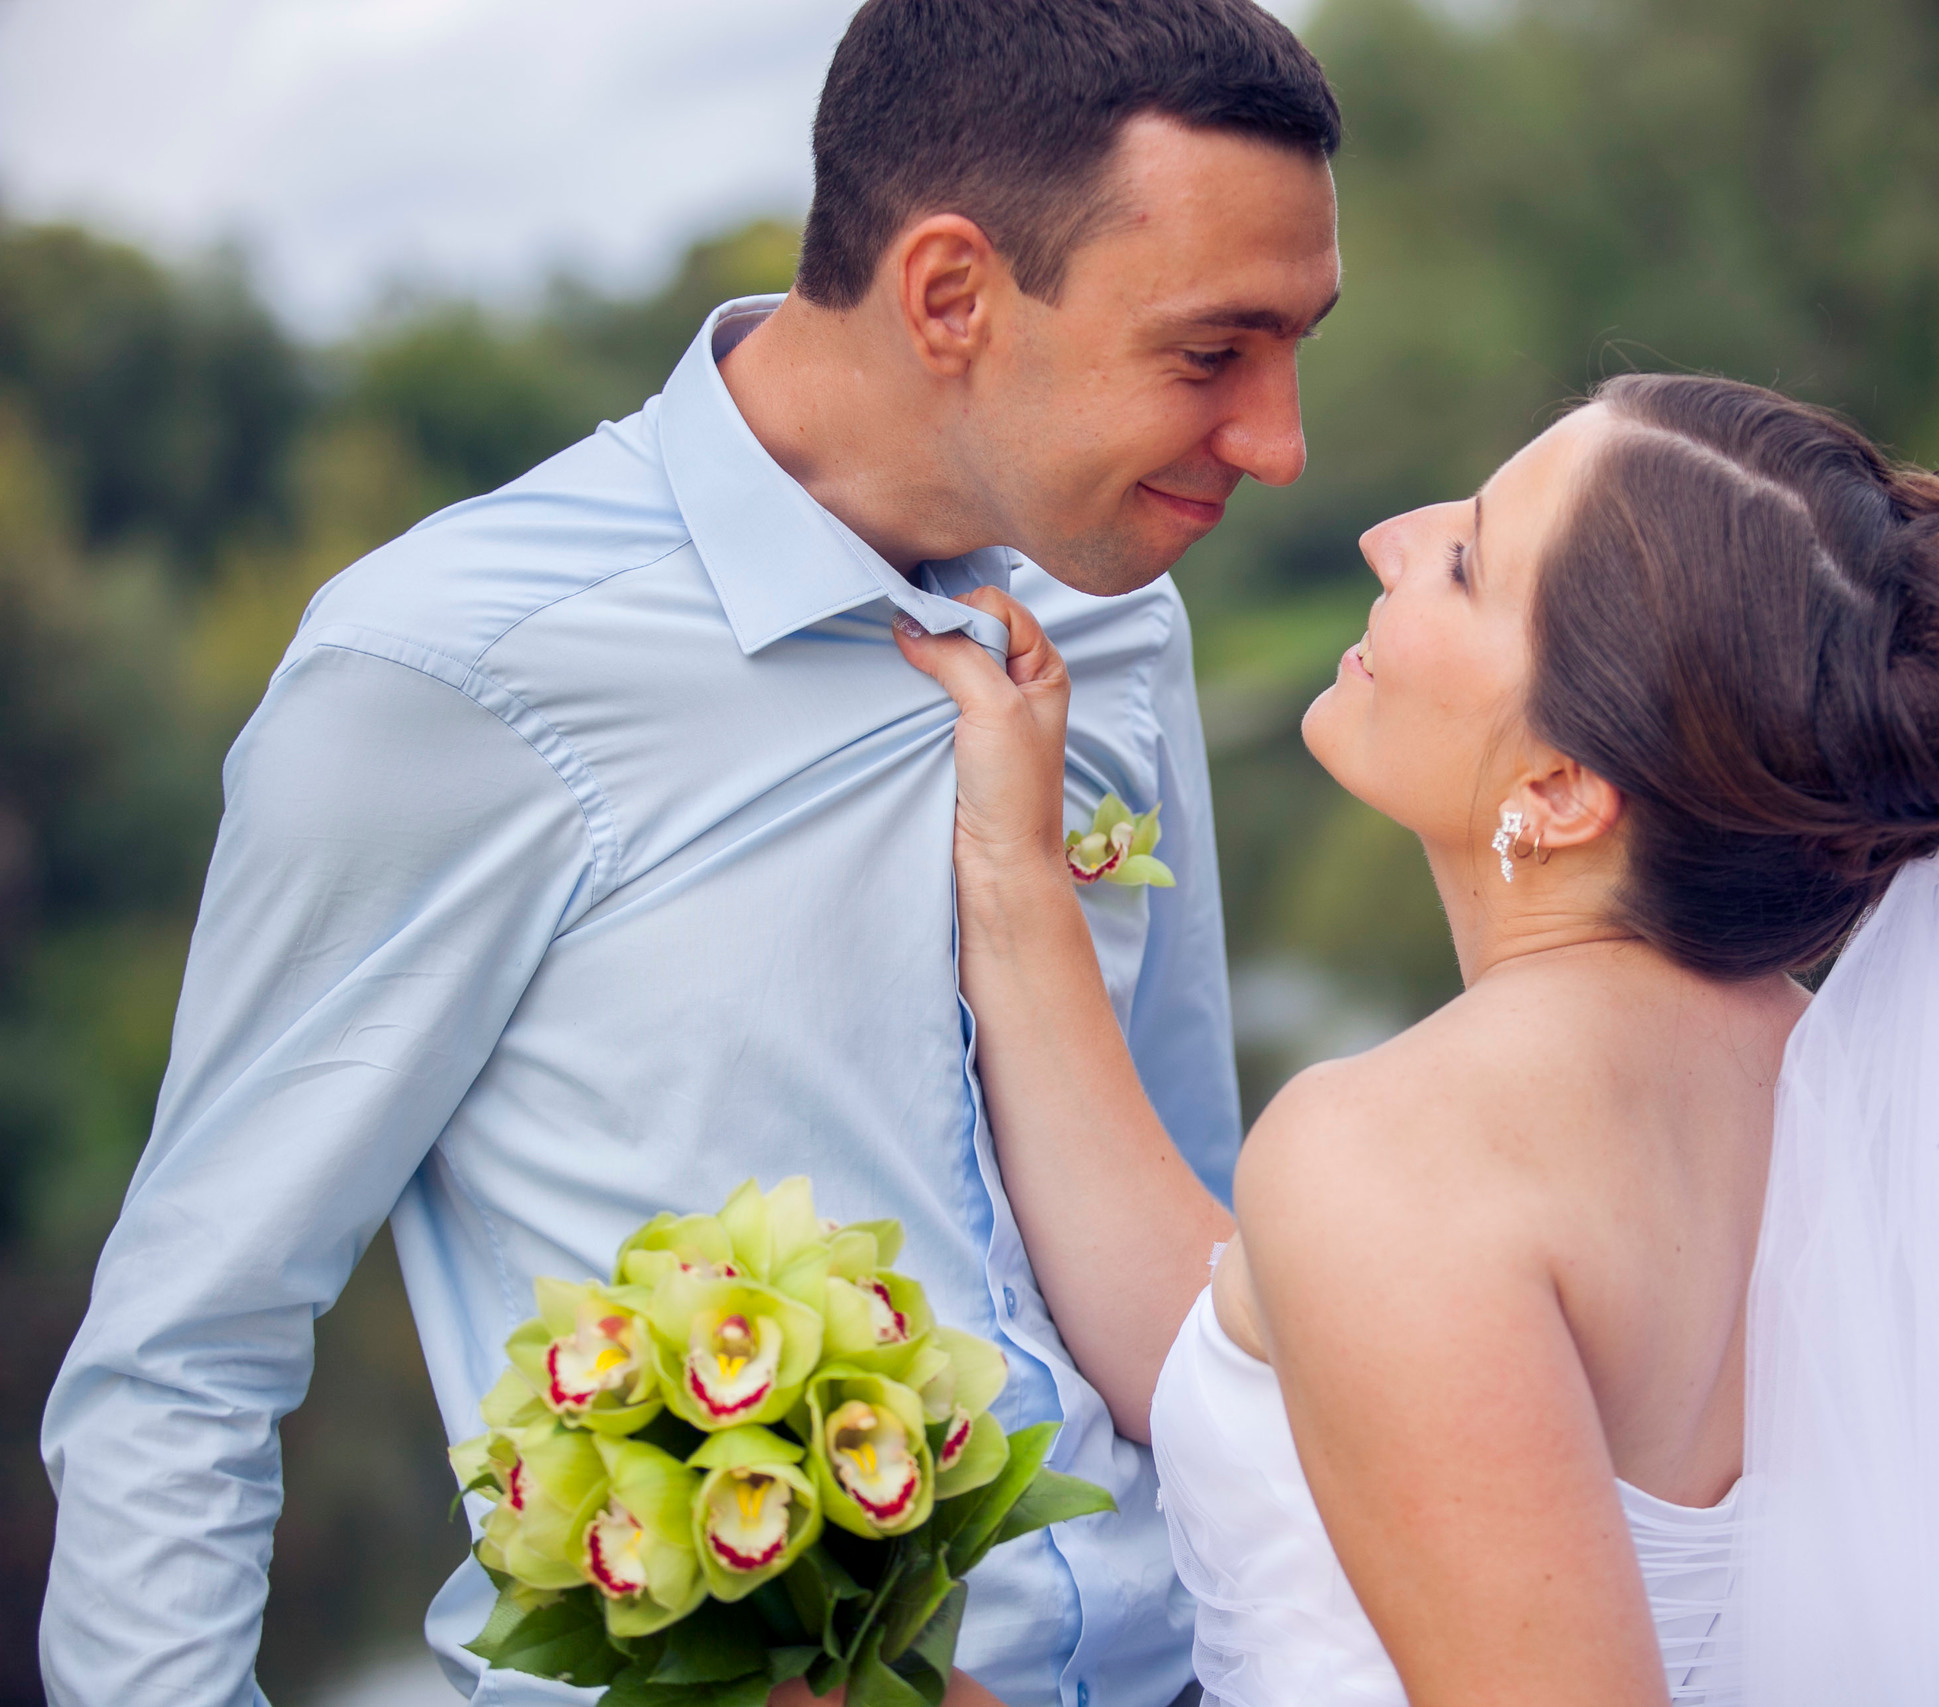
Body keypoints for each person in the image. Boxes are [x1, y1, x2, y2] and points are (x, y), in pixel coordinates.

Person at [38, 3, 1338, 1703]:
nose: (1280, 438)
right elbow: (184, 1362)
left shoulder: (1113, 621)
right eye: (1211, 353)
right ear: (949, 293)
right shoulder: (446, 674)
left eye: (1296, 346)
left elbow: (1188, 1224)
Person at [898, 373, 1939, 1704]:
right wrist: (1014, 873)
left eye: (1464, 563)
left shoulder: (1391, 1152)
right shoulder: (1869, 1098)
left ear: (1560, 792)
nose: (1390, 536)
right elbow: (1239, 1351)